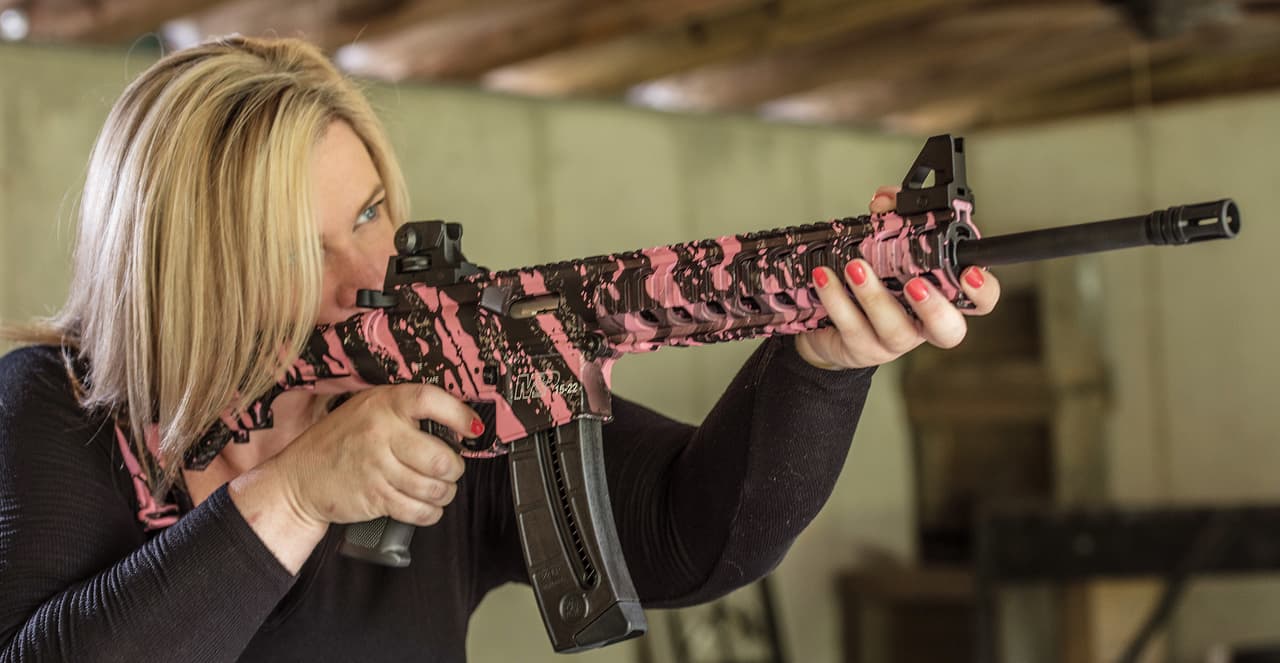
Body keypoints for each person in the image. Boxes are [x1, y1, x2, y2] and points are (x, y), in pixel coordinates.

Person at [0, 36, 999, 661]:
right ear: (194, 268)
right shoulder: (55, 407)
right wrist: (299, 495)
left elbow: (693, 537)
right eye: (298, 250)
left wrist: (820, 364)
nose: (366, 270)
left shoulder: (435, 373)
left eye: (370, 210)